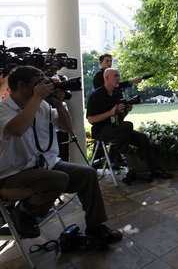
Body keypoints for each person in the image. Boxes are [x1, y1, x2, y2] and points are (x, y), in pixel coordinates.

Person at [0, 66, 122, 243]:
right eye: (38, 84)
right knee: (58, 179)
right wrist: (36, 98)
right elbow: (16, 130)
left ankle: (96, 227)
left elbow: (66, 127)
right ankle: (23, 213)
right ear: (21, 85)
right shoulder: (3, 109)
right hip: (12, 176)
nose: (43, 87)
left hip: (43, 165)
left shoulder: (41, 105)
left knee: (87, 174)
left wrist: (58, 103)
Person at [86, 68, 172, 180]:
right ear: (106, 77)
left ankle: (155, 170)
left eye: (119, 75)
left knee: (143, 138)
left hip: (118, 129)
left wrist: (125, 110)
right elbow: (91, 119)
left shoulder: (117, 93)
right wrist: (111, 112)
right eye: (115, 75)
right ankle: (117, 156)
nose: (119, 78)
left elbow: (120, 118)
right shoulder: (96, 95)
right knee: (127, 125)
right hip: (101, 131)